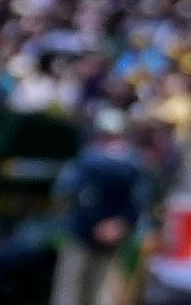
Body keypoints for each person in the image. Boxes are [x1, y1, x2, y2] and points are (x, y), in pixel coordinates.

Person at [49, 124, 150, 305]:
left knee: (77, 290)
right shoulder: (133, 162)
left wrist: (111, 224)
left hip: (88, 233)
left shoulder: (86, 162)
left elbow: (64, 194)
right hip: (95, 234)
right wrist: (118, 224)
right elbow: (141, 200)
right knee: (91, 290)